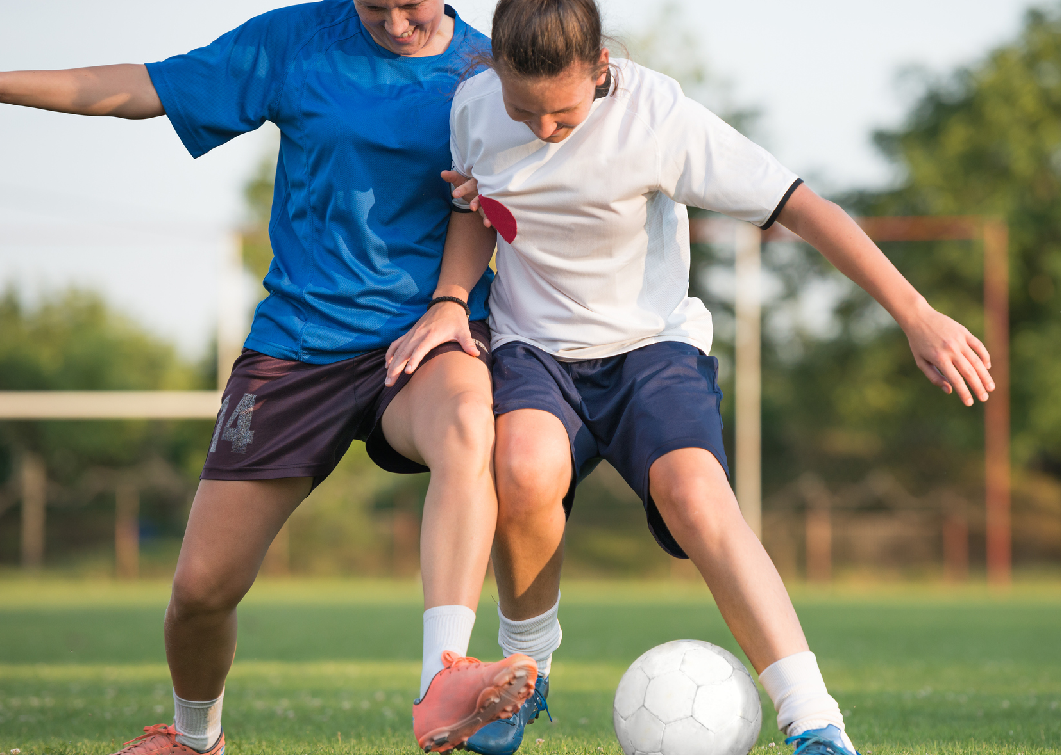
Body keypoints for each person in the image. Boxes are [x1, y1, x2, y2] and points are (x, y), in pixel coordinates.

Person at [386, 1, 997, 754]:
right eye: (525, 108)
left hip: (651, 349)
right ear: (497, 75)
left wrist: (916, 312)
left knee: (695, 493)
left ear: (601, 68)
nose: (542, 128)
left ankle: (815, 719)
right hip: (535, 348)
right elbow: (476, 206)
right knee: (522, 466)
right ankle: (526, 676)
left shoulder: (659, 116)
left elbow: (803, 207)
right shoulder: (475, 105)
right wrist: (450, 298)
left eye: (563, 112)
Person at [0, 3, 537, 754]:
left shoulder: (486, 73)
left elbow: (517, 181)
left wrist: (455, 300)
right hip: (298, 346)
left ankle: (442, 676)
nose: (394, 20)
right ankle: (194, 738)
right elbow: (144, 86)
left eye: (409, 2)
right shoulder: (294, 42)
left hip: (422, 337)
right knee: (199, 592)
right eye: (373, 4)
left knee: (466, 421)